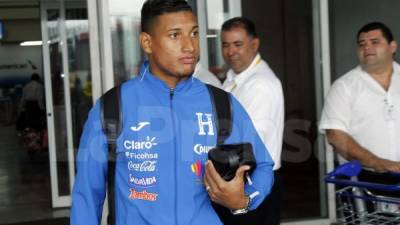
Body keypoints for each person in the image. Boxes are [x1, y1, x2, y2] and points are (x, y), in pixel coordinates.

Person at [70, 1, 274, 225]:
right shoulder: (112, 107)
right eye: (175, 35)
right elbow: (87, 197)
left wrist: (243, 200)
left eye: (194, 33)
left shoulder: (221, 103)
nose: (190, 46)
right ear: (147, 42)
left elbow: (263, 166)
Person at [220, 17, 284, 225]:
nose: (231, 52)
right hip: (238, 178)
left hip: (255, 180)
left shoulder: (260, 85)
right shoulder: (232, 79)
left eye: (238, 44)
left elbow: (242, 143)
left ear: (254, 44)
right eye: (226, 45)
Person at [319, 22, 400, 173]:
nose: (367, 48)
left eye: (375, 42)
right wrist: (379, 163)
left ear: (392, 47)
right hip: (368, 182)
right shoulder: (344, 87)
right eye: (362, 44)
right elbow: (336, 136)